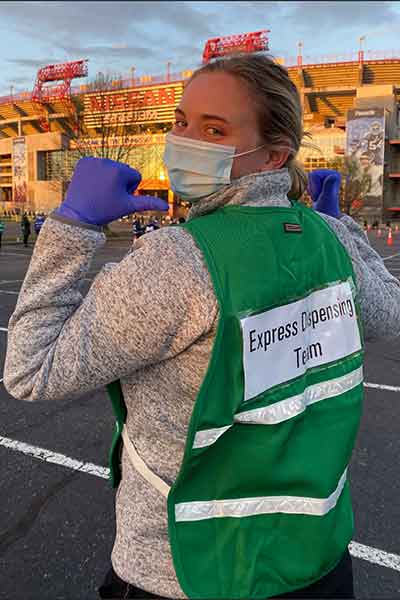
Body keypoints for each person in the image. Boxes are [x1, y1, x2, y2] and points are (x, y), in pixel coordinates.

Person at [4, 54, 400, 600]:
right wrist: (337, 226)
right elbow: (390, 312)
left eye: (214, 130)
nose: (185, 141)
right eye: (181, 122)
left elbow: (31, 369)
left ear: (273, 155)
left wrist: (71, 227)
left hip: (187, 569)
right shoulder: (326, 240)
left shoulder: (180, 259)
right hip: (315, 556)